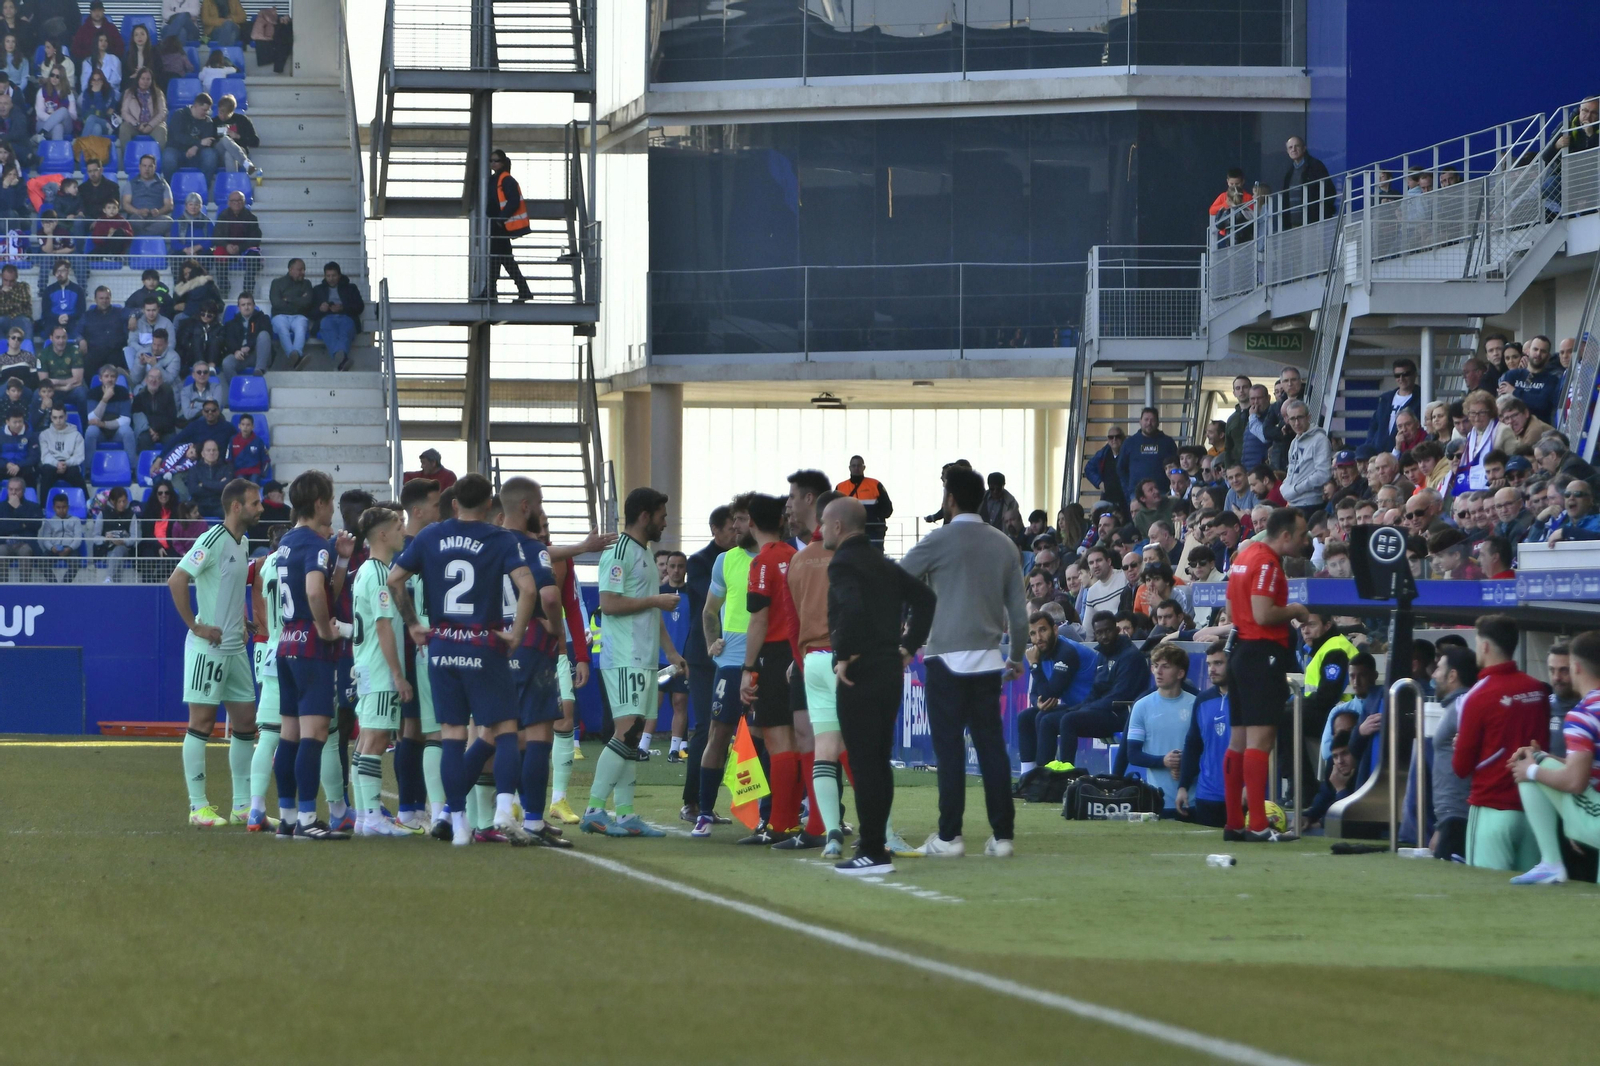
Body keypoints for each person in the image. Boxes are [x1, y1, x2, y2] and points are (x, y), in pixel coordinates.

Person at [899, 465, 1027, 858]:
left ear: (950, 497)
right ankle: (1002, 836)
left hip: (944, 658)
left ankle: (950, 835)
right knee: (992, 750)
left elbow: (898, 580)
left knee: (949, 749)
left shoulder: (937, 540)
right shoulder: (1005, 544)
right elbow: (1019, 616)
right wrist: (1017, 657)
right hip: (990, 660)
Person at [823, 494, 936, 875]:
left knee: (864, 762)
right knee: (878, 762)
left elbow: (851, 610)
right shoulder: (882, 562)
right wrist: (908, 646)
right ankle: (876, 846)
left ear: (838, 526)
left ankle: (872, 849)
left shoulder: (842, 562)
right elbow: (925, 598)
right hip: (889, 669)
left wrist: (844, 653)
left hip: (863, 672)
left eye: (824, 523)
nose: (821, 529)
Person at [574, 486, 684, 839]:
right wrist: (655, 599)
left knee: (634, 733)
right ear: (644, 516)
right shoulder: (620, 552)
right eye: (662, 516)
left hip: (643, 656)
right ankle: (594, 809)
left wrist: (669, 651)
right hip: (624, 656)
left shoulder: (644, 554)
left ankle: (624, 813)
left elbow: (652, 608)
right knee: (626, 731)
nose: (665, 523)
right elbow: (608, 604)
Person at [166, 477, 262, 826]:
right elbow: (177, 579)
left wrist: (243, 619)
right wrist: (196, 626)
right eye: (255, 503)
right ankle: (198, 807)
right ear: (237, 506)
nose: (260, 508)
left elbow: (228, 588)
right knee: (202, 723)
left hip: (236, 648)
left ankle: (240, 806)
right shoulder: (211, 540)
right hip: (209, 649)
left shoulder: (243, 542)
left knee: (246, 725)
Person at [1224, 507, 1309, 843]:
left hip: (1241, 653)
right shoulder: (1269, 563)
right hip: (1263, 655)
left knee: (1238, 742)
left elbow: (1232, 611)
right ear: (1284, 535)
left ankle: (1234, 822)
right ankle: (1258, 823)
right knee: (1261, 742)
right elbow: (1263, 613)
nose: (1306, 540)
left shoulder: (1244, 556)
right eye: (1302, 535)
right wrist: (1297, 610)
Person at [784, 476, 853, 856]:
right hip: (846, 661)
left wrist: (802, 659)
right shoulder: (850, 557)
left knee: (820, 745)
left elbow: (791, 620)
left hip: (809, 662)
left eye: (793, 497)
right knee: (858, 748)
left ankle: (827, 832)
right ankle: (884, 831)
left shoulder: (796, 559)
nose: (789, 505)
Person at [1452, 614, 1547, 871]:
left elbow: (1461, 767)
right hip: (1535, 812)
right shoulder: (1538, 690)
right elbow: (1543, 751)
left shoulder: (1478, 695)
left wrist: (1461, 746)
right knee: (1532, 903)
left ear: (1484, 646)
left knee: (1483, 899)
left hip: (1491, 808)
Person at [1506, 629, 1600, 885]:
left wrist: (1532, 770)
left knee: (1529, 761)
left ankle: (1551, 862)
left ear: (1576, 667)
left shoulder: (1583, 714)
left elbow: (1575, 782)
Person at [692, 495, 758, 833]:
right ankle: (704, 812)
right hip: (731, 660)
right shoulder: (724, 561)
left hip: (766, 659)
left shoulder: (780, 558)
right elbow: (708, 610)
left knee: (772, 736)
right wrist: (710, 642)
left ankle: (779, 811)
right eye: (733, 519)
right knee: (719, 732)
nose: (735, 525)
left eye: (742, 518)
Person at [1017, 611, 1100, 776]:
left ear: (1055, 630)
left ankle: (1044, 778)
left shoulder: (1066, 652)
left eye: (1043, 630)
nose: (1038, 638)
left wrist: (1034, 666)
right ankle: (1026, 776)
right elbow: (1036, 694)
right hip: (1074, 707)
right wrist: (1037, 703)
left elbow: (1050, 694)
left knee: (1045, 719)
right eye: (1033, 633)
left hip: (1094, 706)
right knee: (1025, 717)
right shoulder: (1040, 651)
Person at [1122, 644, 1195, 814]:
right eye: (1155, 665)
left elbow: (1208, 751)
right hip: (1158, 800)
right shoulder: (1142, 706)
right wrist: (1163, 761)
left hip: (1194, 798)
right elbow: (1133, 754)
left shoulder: (1196, 705)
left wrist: (1187, 764)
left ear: (1180, 673)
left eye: (1166, 666)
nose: (1158, 671)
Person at [1426, 644, 1477, 861]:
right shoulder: (1454, 707)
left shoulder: (1463, 706)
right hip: (1450, 817)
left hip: (1458, 817)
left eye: (1438, 668)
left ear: (1452, 675)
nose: (1434, 674)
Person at [1176, 641, 1232, 827]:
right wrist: (1183, 786)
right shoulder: (1203, 699)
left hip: (1241, 794)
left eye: (1218, 663)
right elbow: (1193, 745)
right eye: (1209, 664)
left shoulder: (1249, 698)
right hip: (1207, 795)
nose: (1212, 669)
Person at [481, 148, 532, 302]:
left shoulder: (506, 180)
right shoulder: (494, 179)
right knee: (500, 259)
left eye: (496, 161)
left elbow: (514, 201)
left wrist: (501, 219)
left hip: (501, 225)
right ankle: (493, 291)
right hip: (496, 224)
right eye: (491, 161)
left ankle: (491, 292)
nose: (493, 163)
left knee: (500, 259)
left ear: (503, 163)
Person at [1117, 406, 1177, 504]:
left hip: (1162, 492)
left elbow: (1176, 466)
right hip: (1137, 494)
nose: (1149, 423)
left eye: (1152, 420)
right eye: (1146, 419)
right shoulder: (1130, 442)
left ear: (1158, 422)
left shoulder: (1168, 442)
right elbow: (1121, 468)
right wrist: (1128, 489)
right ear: (1140, 421)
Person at [1497, 334, 1562, 425]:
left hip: (1539, 429)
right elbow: (1504, 404)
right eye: (1535, 349)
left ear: (1548, 356)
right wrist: (1531, 398)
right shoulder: (1512, 375)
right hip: (1511, 427)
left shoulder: (1552, 380)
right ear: (1528, 352)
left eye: (1543, 351)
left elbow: (1542, 404)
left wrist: (1514, 392)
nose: (1538, 353)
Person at [309, 260, 362, 370]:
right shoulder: (318, 290)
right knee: (327, 327)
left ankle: (340, 358)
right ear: (325, 276)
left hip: (346, 316)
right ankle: (342, 357)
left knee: (345, 330)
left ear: (339, 275)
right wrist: (320, 309)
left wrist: (343, 307)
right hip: (326, 318)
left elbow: (359, 307)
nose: (331, 278)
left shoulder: (351, 288)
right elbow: (311, 313)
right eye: (328, 276)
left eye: (333, 275)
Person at [1280, 399, 1330, 512]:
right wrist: (1285, 487)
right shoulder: (1294, 442)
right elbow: (1291, 471)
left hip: (1311, 504)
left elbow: (1323, 474)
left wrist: (1296, 489)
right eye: (1292, 419)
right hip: (1293, 503)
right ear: (1288, 420)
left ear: (1308, 417)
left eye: (1300, 417)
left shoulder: (1320, 439)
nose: (1297, 423)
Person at [211, 188, 261, 296]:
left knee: (253, 256)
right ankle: (224, 289)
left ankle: (248, 291)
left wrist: (240, 247)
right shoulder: (223, 216)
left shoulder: (251, 218)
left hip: (244, 249)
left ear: (244, 202)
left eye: (240, 201)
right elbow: (216, 236)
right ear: (229, 202)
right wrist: (227, 245)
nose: (237, 203)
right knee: (219, 252)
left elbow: (256, 238)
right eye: (234, 201)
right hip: (227, 248)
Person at [1364, 359, 1421, 454]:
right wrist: (1370, 444)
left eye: (1406, 374)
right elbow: (1374, 425)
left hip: (1405, 453)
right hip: (1379, 452)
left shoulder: (1422, 398)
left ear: (1414, 374)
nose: (1401, 378)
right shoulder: (1386, 398)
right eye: (1397, 375)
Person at [83, 362, 133, 467]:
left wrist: (103, 424)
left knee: (127, 431)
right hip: (99, 433)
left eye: (113, 376)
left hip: (116, 433)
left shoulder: (123, 392)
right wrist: (105, 399)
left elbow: (126, 420)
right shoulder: (93, 393)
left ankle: (132, 468)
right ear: (100, 379)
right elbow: (91, 419)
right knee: (91, 431)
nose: (110, 379)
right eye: (106, 376)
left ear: (116, 378)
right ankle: (89, 469)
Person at [835, 454, 893, 545]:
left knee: (873, 557)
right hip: (849, 531)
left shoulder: (875, 484)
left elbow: (887, 508)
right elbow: (835, 510)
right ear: (849, 468)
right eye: (854, 466)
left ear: (864, 467)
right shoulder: (840, 487)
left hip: (873, 530)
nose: (856, 468)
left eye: (859, 465)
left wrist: (875, 518)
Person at [1280, 135, 1334, 227]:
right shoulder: (1289, 173)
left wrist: (1321, 214)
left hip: (1313, 223)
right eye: (1290, 147)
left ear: (1304, 148)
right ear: (1287, 151)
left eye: (1297, 146)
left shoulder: (1315, 166)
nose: (1293, 149)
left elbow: (1329, 191)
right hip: (1293, 225)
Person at [269, 258, 314, 367]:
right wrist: (299, 301)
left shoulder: (307, 283)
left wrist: (288, 299)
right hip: (279, 316)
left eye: (304, 269)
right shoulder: (277, 283)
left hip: (299, 316)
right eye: (300, 270)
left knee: (301, 328)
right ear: (290, 269)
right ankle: (296, 357)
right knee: (282, 328)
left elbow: (307, 303)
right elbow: (276, 303)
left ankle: (295, 356)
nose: (303, 272)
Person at [218, 290, 271, 379]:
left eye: (249, 304)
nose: (246, 307)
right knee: (226, 363)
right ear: (239, 307)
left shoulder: (263, 319)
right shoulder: (231, 324)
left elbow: (267, 335)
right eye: (243, 305)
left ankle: (259, 372)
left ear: (254, 305)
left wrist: (249, 346)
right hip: (241, 356)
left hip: (258, 355)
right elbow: (229, 340)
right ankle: (237, 388)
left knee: (264, 334)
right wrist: (236, 351)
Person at [36, 401, 83, 496]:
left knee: (74, 472)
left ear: (66, 417)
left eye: (61, 417)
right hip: (51, 465)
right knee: (46, 471)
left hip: (69, 465)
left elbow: (79, 456)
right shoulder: (44, 435)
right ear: (51, 418)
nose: (58, 420)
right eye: (55, 417)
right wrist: (57, 464)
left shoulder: (76, 435)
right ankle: (43, 508)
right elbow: (45, 456)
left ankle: (87, 504)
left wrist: (66, 463)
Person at [121, 153, 173, 236]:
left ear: (155, 167)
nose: (147, 169)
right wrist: (138, 211)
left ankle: (143, 235)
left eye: (150, 166)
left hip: (156, 218)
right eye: (144, 166)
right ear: (139, 167)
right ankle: (149, 236)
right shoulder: (131, 184)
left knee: (168, 221)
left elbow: (169, 205)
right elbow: (125, 204)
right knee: (133, 221)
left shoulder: (163, 184)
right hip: (138, 217)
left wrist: (159, 212)